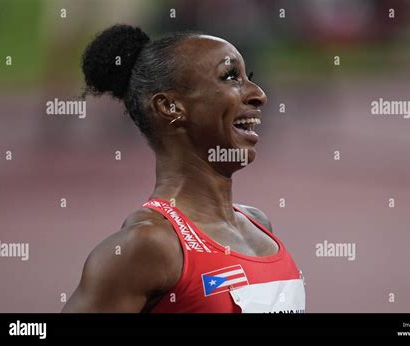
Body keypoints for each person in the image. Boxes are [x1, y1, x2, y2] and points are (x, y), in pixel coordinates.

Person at [62, 25, 305, 313]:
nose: (258, 94)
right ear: (170, 107)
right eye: (230, 77)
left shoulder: (258, 225)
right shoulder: (150, 246)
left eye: (248, 78)